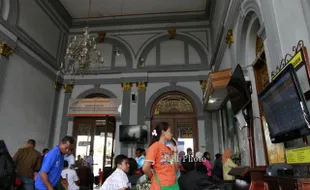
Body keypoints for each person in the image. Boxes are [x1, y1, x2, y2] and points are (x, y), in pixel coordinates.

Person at [143, 122, 179, 190]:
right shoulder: (154, 146)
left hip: (172, 185)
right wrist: (153, 178)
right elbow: (145, 168)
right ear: (163, 132)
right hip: (159, 186)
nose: (171, 134)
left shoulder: (169, 149)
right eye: (169, 131)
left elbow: (175, 168)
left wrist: (175, 153)